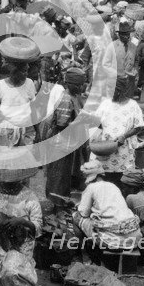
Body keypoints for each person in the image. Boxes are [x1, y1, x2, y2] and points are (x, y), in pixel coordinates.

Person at [72, 160, 141, 263]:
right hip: (134, 239)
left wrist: (77, 206)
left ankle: (82, 256)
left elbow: (83, 213)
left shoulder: (91, 187)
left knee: (75, 216)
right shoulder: (113, 186)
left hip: (111, 241)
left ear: (89, 177)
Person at [86, 76, 144, 187]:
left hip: (123, 150)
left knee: (122, 180)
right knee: (104, 178)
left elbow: (139, 126)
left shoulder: (132, 105)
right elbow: (97, 124)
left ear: (120, 90)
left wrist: (125, 135)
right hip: (106, 149)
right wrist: (93, 139)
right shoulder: (105, 104)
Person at [45, 67, 88, 205]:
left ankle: (61, 204)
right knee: (58, 177)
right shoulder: (66, 99)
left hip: (67, 144)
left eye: (83, 84)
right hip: (60, 144)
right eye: (80, 85)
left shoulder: (75, 97)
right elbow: (62, 124)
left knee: (64, 178)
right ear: (71, 85)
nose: (82, 87)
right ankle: (55, 206)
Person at [0, 61, 40, 149]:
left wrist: (37, 130)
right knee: (5, 159)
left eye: (27, 71)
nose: (26, 74)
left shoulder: (29, 83)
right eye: (24, 71)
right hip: (5, 130)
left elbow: (33, 108)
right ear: (14, 71)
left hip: (26, 129)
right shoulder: (0, 85)